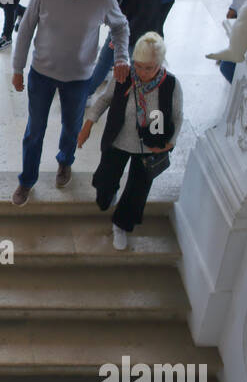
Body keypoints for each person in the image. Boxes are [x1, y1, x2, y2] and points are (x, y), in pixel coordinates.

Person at [10, 0, 130, 206]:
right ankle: (27, 180)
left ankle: (65, 162)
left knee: (71, 127)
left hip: (78, 77)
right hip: (42, 73)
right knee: (35, 130)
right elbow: (26, 28)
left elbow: (120, 26)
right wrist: (18, 68)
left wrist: (122, 57)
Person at [77, 32, 182, 250]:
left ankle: (121, 225)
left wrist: (169, 144)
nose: (142, 72)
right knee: (105, 183)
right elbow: (104, 99)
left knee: (137, 190)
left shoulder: (170, 84)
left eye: (149, 68)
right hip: (118, 141)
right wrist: (88, 125)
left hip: (150, 147)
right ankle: (109, 193)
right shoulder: (123, 75)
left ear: (160, 64)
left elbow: (177, 116)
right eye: (139, 66)